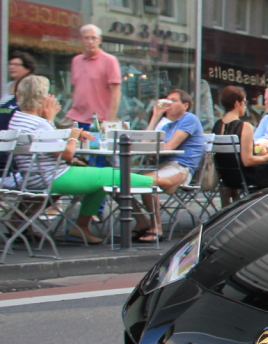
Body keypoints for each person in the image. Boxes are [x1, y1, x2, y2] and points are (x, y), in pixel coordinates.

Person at [6, 76, 154, 245]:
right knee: (109, 174)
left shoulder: (17, 119)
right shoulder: (40, 124)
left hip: (30, 177)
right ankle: (158, 181)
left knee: (100, 182)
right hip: (51, 177)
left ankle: (81, 227)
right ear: (41, 97)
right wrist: (74, 134)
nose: (51, 97)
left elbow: (46, 146)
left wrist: (56, 125)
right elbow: (67, 154)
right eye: (48, 93)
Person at [130, 90, 206, 242]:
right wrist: (156, 115)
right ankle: (142, 221)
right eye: (167, 100)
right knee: (119, 180)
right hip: (164, 166)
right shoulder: (167, 126)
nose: (168, 103)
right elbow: (144, 146)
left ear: (185, 105)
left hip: (181, 168)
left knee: (145, 182)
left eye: (173, 100)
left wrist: (155, 149)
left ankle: (156, 227)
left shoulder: (189, 118)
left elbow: (170, 146)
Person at [211, 85, 268, 207]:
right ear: (237, 103)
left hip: (226, 177)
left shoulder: (217, 125)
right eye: (244, 101)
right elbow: (248, 161)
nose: (245, 105)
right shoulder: (244, 126)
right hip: (245, 177)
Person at [67, 24, 122, 127]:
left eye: (93, 38)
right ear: (80, 40)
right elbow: (76, 90)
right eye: (86, 38)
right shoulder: (76, 60)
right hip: (77, 119)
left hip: (99, 120)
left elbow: (116, 93)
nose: (90, 41)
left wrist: (110, 122)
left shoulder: (109, 61)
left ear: (100, 40)